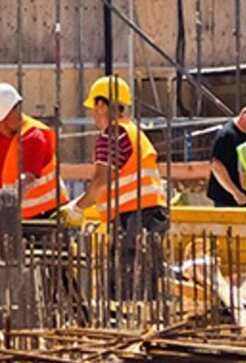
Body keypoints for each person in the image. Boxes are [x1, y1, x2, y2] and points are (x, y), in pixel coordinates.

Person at [58, 75, 168, 296]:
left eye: (93, 107)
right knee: (145, 285)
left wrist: (78, 207)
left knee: (125, 287)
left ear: (101, 105)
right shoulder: (134, 132)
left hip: (132, 218)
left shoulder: (113, 134)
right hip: (150, 215)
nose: (92, 115)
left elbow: (101, 180)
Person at [0, 82, 68, 220]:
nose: (3, 127)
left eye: (6, 120)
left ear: (17, 109)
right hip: (10, 216)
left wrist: (9, 207)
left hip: (44, 217)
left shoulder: (33, 135)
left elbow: (27, 180)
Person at [206, 103, 246, 207]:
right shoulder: (226, 135)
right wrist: (236, 193)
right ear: (245, 116)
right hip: (227, 199)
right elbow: (216, 165)